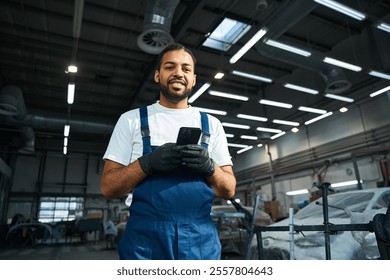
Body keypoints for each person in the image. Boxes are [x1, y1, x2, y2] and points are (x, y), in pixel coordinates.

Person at [100, 43, 236, 260]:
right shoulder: (131, 120)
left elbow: (228, 190)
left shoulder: (212, 124)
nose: (178, 73)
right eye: (169, 67)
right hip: (145, 242)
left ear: (193, 79)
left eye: (186, 69)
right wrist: (147, 163)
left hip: (199, 242)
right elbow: (108, 188)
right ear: (157, 75)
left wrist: (210, 167)